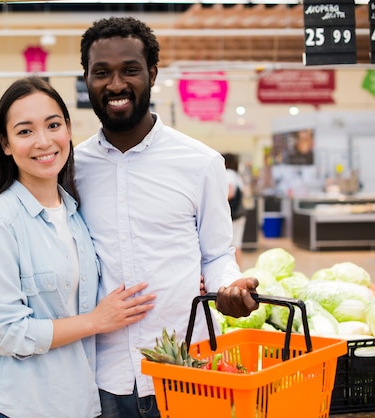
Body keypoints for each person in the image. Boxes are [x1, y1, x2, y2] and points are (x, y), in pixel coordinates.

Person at [75, 17, 259, 418]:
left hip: (185, 371)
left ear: (153, 74)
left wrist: (229, 287)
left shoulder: (200, 163)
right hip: (98, 377)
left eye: (130, 70)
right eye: (101, 72)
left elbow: (216, 254)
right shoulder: (71, 167)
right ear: (86, 78)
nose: (116, 85)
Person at [0, 77, 156, 418]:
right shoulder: (1, 219)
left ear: (69, 130)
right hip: (16, 405)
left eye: (53, 125)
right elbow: (9, 334)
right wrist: (95, 321)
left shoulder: (74, 213)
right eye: (25, 131)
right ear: (5, 144)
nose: (44, 141)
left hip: (71, 402)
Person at [223, 152, 247, 269]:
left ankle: (234, 272)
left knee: (230, 245)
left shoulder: (228, 173)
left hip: (233, 215)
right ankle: (239, 271)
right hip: (240, 214)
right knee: (237, 244)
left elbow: (230, 193)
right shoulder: (237, 175)